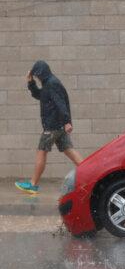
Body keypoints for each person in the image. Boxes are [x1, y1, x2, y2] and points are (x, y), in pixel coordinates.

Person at [15, 60, 83, 194]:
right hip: (58, 126)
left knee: (41, 151)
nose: (37, 78)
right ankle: (92, 175)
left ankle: (33, 184)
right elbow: (39, 95)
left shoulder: (52, 84)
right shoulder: (49, 83)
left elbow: (60, 103)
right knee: (69, 150)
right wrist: (30, 82)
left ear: (42, 73)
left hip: (52, 126)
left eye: (37, 76)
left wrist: (67, 121)